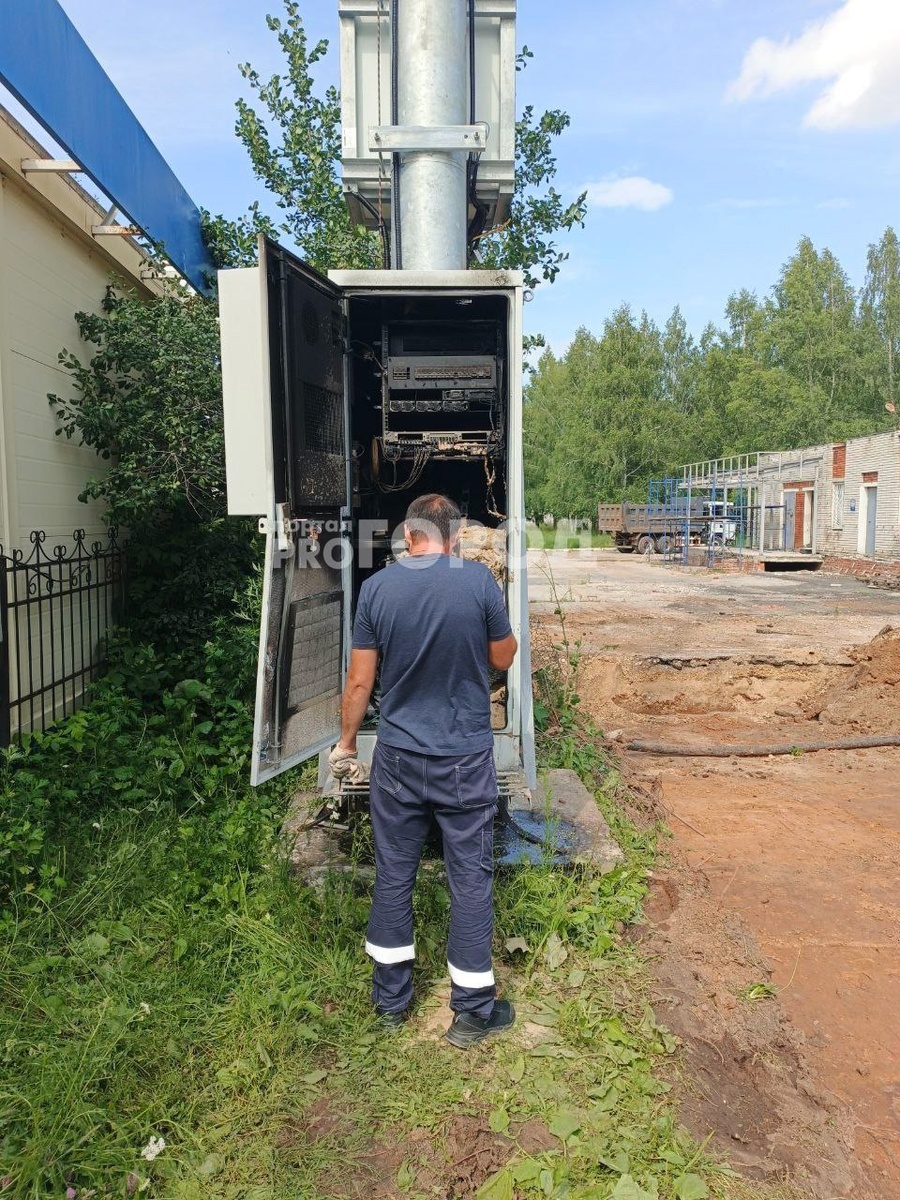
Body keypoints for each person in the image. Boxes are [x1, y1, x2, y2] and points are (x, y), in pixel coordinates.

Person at [329, 493, 518, 1048]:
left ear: (408, 536)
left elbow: (360, 682)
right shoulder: (478, 581)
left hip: (398, 760)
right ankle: (472, 1012)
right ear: (455, 537)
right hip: (464, 757)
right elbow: (503, 657)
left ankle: (391, 1004)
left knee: (394, 873)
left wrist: (346, 745)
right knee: (470, 878)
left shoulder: (377, 589)